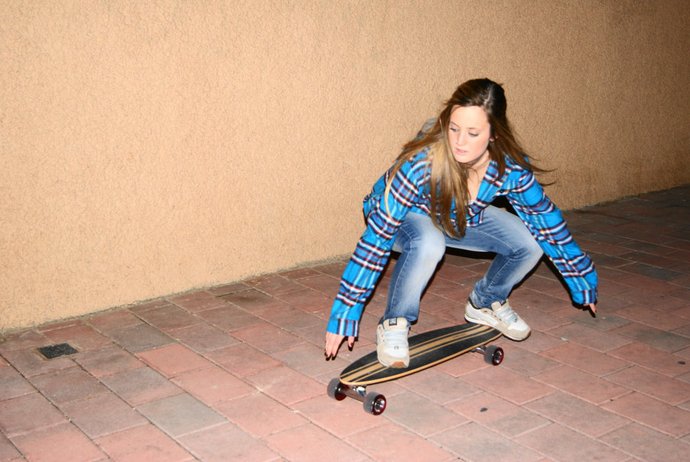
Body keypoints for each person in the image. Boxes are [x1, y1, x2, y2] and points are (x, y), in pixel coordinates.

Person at [324, 78, 597, 367]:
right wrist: (346, 313)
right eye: (453, 129)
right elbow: (377, 238)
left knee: (530, 242)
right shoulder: (423, 162)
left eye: (472, 133)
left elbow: (547, 222)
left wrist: (581, 278)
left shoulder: (510, 169)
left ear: (494, 135)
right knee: (429, 242)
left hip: (453, 215)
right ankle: (395, 321)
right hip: (403, 216)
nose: (459, 141)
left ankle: (486, 302)